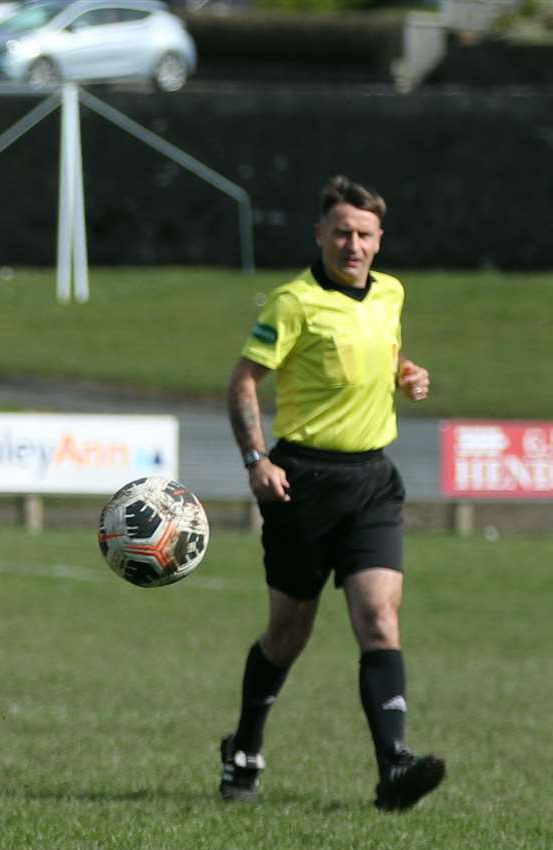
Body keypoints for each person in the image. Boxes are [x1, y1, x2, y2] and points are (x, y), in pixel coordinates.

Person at [220, 175, 445, 812]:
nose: (353, 244)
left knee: (379, 620)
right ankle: (244, 746)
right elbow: (243, 381)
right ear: (320, 235)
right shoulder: (292, 303)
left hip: (373, 481)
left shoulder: (392, 294)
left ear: (380, 241)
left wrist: (407, 373)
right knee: (289, 634)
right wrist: (256, 459)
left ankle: (394, 767)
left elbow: (383, 350)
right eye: (341, 232)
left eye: (364, 234)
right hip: (302, 485)